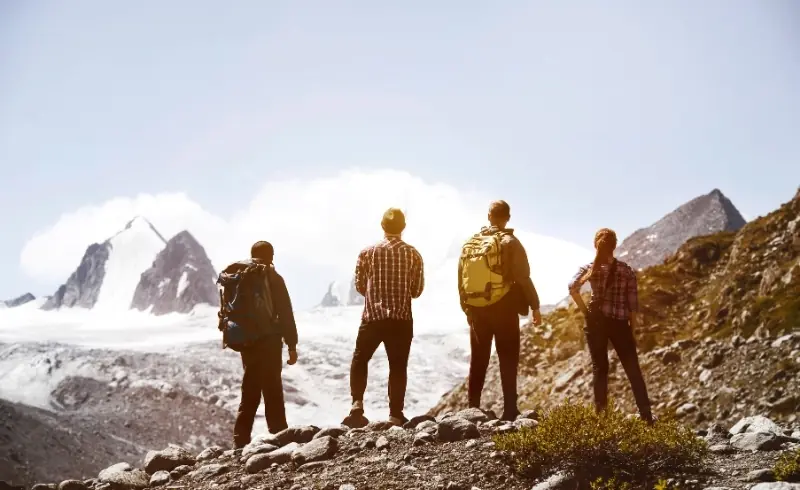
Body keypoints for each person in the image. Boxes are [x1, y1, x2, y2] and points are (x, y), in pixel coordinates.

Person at [458, 200, 543, 421]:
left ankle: (472, 408)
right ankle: (509, 410)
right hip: (504, 307)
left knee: (478, 359)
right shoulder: (510, 242)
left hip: (477, 308)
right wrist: (535, 306)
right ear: (508, 217)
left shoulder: (471, 243)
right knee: (507, 357)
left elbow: (461, 278)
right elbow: (523, 277)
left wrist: (467, 308)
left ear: (488, 216)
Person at [343, 208, 425, 427]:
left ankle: (357, 403)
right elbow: (416, 291)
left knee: (360, 359)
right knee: (398, 366)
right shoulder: (413, 254)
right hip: (401, 318)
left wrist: (376, 294)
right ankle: (395, 414)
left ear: (382, 226)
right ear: (403, 227)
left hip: (373, 317)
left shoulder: (367, 252)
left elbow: (360, 286)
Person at [568, 228, 654, 424]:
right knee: (633, 370)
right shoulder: (626, 270)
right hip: (620, 324)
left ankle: (602, 419)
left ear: (595, 245)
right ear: (614, 246)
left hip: (596, 323)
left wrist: (585, 311)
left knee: (600, 369)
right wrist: (631, 333)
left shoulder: (589, 268)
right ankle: (646, 417)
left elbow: (572, 287)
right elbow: (633, 306)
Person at [222, 241, 299, 448]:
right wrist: (292, 345)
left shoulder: (240, 277)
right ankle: (279, 433)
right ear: (271, 256)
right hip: (270, 341)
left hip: (247, 341)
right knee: (272, 387)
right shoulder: (272, 277)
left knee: (250, 389)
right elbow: (285, 313)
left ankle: (240, 440)